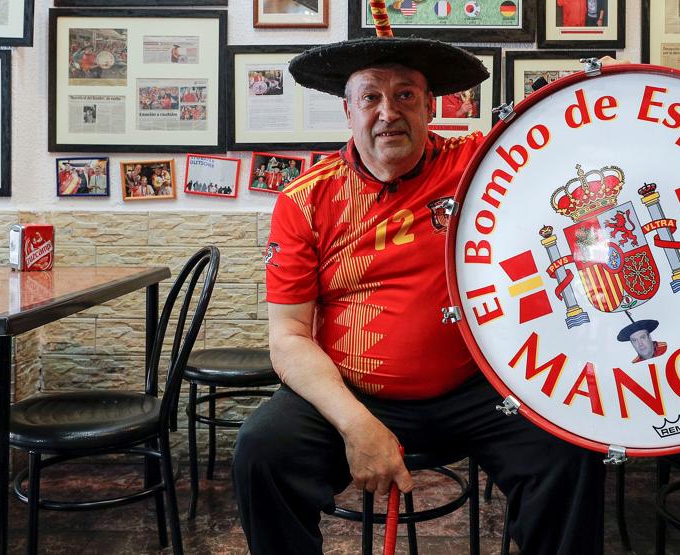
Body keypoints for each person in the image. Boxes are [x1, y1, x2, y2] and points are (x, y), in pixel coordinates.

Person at [233, 35, 618, 555]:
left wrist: (601, 95)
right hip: (354, 391)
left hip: (481, 387)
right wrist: (356, 425)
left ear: (430, 106)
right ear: (348, 111)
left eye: (405, 95)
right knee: (261, 452)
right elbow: (288, 337)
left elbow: (566, 145)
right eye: (370, 97)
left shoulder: (481, 163)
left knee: (569, 451)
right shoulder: (306, 200)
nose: (388, 112)